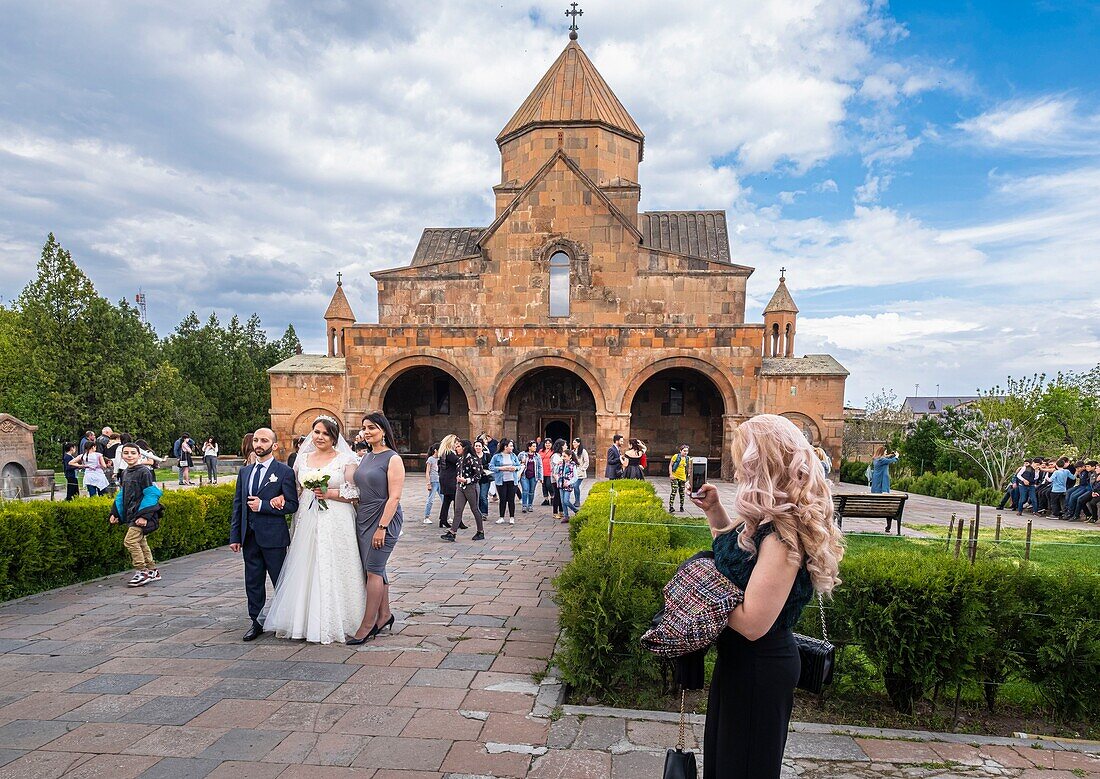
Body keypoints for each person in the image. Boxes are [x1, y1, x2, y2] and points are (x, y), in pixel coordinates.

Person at [691, 414, 844, 779]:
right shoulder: (765, 522)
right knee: (728, 763)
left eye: (742, 457)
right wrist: (714, 511)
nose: (736, 467)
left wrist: (699, 592)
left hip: (758, 667)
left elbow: (752, 623)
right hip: (740, 665)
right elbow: (735, 561)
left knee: (741, 768)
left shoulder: (780, 536)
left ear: (761, 464)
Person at [263, 416, 366, 644]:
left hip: (337, 518)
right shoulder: (303, 459)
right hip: (307, 518)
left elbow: (355, 493)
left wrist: (329, 494)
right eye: (316, 432)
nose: (320, 437)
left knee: (334, 563)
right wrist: (281, 498)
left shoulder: (346, 460)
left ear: (334, 437)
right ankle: (302, 621)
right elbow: (296, 491)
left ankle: (340, 618)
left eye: (325, 433)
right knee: (306, 563)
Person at [229, 428, 300, 641]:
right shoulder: (245, 472)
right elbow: (238, 505)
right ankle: (256, 621)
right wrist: (235, 536)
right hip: (249, 536)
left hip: (274, 537)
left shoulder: (284, 472)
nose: (259, 444)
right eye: (257, 440)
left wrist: (265, 505)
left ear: (274, 445)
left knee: (280, 579)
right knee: (253, 580)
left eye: (264, 440)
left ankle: (288, 620)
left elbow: (292, 504)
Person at [348, 412, 405, 644]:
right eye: (364, 428)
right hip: (364, 517)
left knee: (373, 570)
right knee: (375, 569)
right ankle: (384, 615)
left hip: (384, 518)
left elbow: (395, 497)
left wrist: (382, 527)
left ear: (383, 430)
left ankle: (367, 625)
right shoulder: (366, 457)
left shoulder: (393, 458)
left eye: (372, 427)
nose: (367, 431)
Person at [109, 443, 165, 588]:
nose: (129, 455)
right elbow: (123, 495)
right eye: (126, 453)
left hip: (141, 514)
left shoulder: (144, 472)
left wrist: (144, 516)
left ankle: (142, 571)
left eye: (133, 453)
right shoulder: (126, 472)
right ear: (122, 456)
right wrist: (115, 513)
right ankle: (152, 571)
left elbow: (151, 494)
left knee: (130, 541)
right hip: (132, 513)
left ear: (139, 455)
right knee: (141, 542)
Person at [442, 439, 486, 542]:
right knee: (458, 510)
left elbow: (478, 475)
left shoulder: (472, 459)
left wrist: (467, 480)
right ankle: (452, 532)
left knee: (475, 509)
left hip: (471, 487)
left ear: (464, 448)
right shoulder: (460, 459)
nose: (456, 448)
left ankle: (480, 531)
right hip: (460, 487)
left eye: (458, 446)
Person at [491, 438, 521, 524]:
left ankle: (512, 517)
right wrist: (501, 468)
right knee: (503, 499)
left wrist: (514, 468)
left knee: (511, 499)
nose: (512, 448)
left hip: (512, 480)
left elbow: (519, 466)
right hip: (501, 480)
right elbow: (491, 467)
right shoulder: (496, 456)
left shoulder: (513, 456)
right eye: (511, 446)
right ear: (505, 447)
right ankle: (501, 517)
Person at [437, 434, 460, 529]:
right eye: (455, 443)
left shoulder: (443, 452)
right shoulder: (449, 453)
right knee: (456, 500)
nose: (456, 445)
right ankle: (458, 521)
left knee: (447, 500)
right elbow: (458, 461)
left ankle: (443, 520)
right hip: (450, 479)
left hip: (445, 478)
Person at [518, 440, 543, 514]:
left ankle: (530, 505)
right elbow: (516, 462)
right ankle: (524, 505)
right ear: (529, 447)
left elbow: (540, 466)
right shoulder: (522, 454)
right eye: (533, 446)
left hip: (533, 476)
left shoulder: (537, 456)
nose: (535, 448)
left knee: (531, 491)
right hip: (524, 475)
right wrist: (521, 462)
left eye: (535, 446)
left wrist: (540, 477)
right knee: (525, 490)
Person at [556, 449, 578, 524]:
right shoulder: (560, 463)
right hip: (560, 484)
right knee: (562, 501)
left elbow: (575, 477)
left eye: (565, 456)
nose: (563, 458)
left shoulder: (573, 465)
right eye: (563, 456)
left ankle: (575, 510)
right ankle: (566, 516)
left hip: (568, 485)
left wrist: (568, 482)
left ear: (570, 456)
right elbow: (556, 472)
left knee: (566, 500)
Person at [474, 439, 493, 517]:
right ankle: (478, 513)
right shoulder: (472, 456)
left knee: (483, 495)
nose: (477, 447)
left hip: (485, 478)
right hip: (475, 479)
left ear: (482, 447)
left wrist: (482, 467)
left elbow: (490, 465)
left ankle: (484, 512)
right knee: (477, 496)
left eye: (479, 446)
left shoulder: (487, 455)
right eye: (476, 446)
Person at [669, 444, 690, 513]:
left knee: (682, 493)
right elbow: (670, 465)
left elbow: (689, 467)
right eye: (684, 451)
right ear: (680, 451)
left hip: (683, 477)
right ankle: (671, 506)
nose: (686, 452)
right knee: (674, 491)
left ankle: (681, 506)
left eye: (687, 451)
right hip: (675, 476)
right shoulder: (676, 456)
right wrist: (671, 474)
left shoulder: (688, 458)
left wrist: (689, 474)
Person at [424, 443, 441, 524]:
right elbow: (427, 472)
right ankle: (426, 516)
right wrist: (428, 483)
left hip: (441, 481)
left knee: (445, 500)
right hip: (433, 481)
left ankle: (447, 516)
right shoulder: (430, 459)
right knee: (430, 500)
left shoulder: (441, 458)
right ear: (435, 450)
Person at [550, 439, 567, 520]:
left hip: (561, 478)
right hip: (556, 479)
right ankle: (555, 512)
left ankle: (561, 511)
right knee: (557, 495)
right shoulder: (555, 456)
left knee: (560, 495)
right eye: (565, 445)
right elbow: (556, 468)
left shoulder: (561, 455)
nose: (566, 446)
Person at [571, 438, 589, 510]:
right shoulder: (572, 451)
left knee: (576, 486)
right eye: (573, 442)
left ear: (578, 443)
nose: (573, 444)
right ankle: (576, 501)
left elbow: (586, 461)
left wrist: (582, 468)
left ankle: (577, 501)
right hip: (574, 472)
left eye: (575, 442)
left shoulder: (583, 451)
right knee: (575, 487)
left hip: (580, 472)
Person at [539, 438, 555, 506]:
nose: (547, 444)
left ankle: (552, 497)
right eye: (546, 443)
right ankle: (546, 499)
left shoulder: (553, 451)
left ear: (551, 444)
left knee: (549, 484)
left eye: (549, 443)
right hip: (542, 471)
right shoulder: (541, 451)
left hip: (550, 471)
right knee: (544, 485)